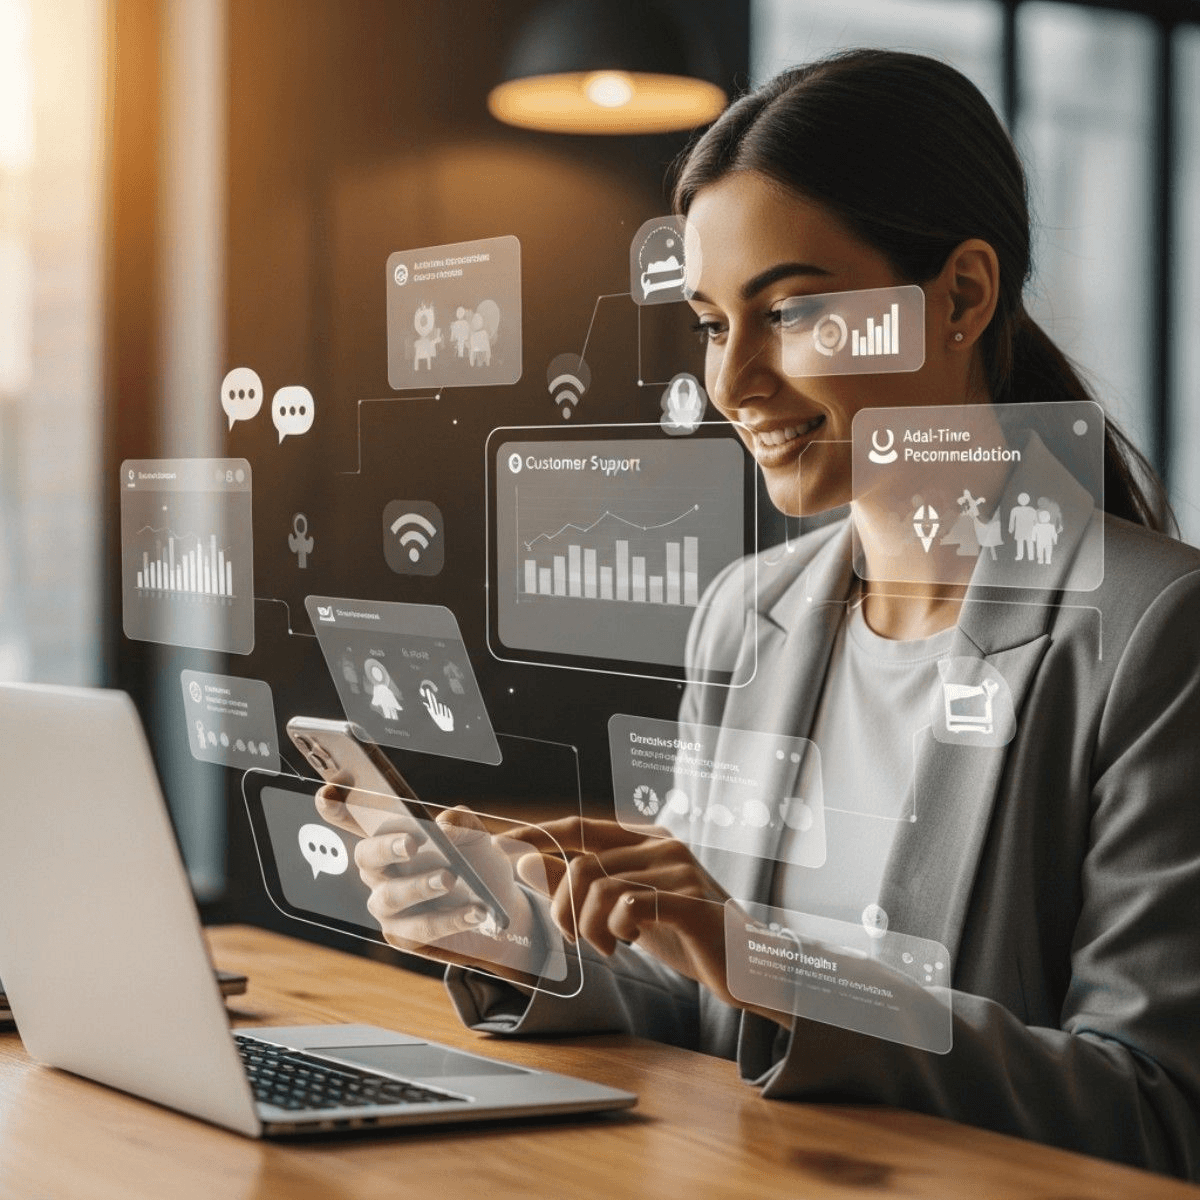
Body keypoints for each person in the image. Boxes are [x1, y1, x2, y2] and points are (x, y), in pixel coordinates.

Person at [318, 50, 1200, 1179]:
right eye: (709, 321)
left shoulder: (1155, 636)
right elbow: (711, 1009)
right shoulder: (748, 614)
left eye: (788, 311)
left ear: (963, 297)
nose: (732, 382)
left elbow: (1154, 1110)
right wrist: (518, 937)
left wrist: (769, 962)